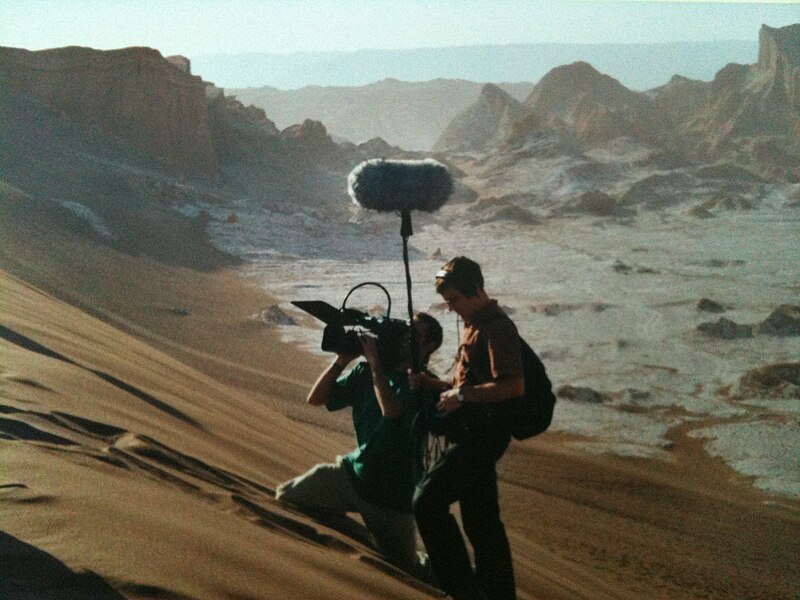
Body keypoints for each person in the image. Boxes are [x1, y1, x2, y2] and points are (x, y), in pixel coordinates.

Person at [275, 312, 443, 576]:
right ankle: (362, 536)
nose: (404, 339)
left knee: (408, 568)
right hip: (353, 475)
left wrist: (376, 366)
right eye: (405, 331)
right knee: (287, 498)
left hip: (391, 498)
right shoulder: (365, 372)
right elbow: (316, 399)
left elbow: (392, 411)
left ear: (430, 346)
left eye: (415, 335)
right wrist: (342, 361)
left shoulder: (423, 387)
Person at [410, 256, 523, 600]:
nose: (453, 308)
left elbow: (513, 386)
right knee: (481, 522)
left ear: (475, 290)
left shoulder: (497, 327)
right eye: (448, 303)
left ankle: (462, 590)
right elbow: (470, 385)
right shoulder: (475, 323)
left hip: (482, 436)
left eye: (455, 300)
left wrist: (461, 394)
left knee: (426, 501)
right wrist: (434, 386)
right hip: (472, 430)